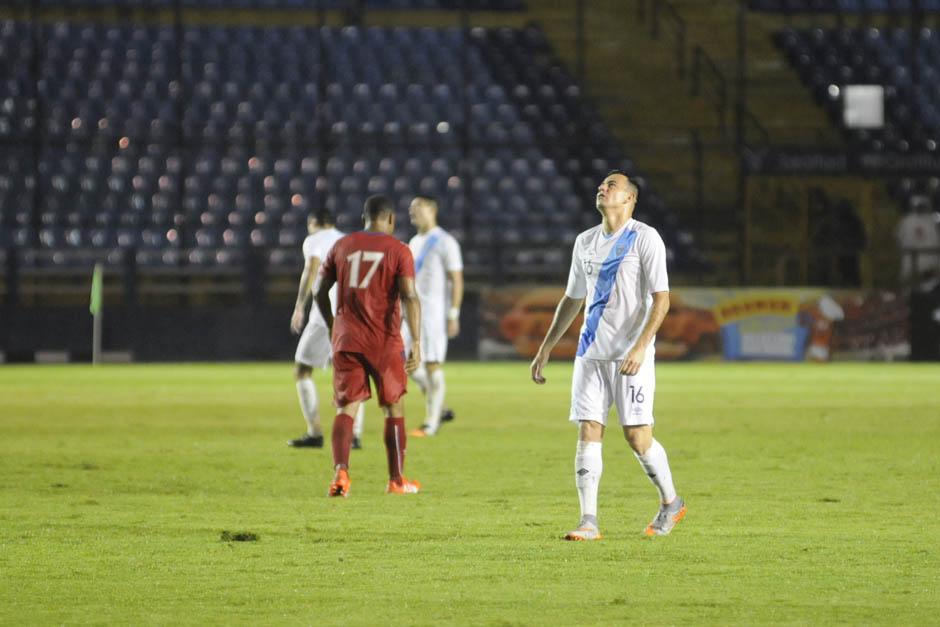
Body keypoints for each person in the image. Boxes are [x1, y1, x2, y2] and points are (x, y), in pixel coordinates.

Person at [529, 170, 685, 541]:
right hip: (590, 353)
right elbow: (572, 298)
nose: (602, 187)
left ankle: (671, 502)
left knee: (637, 437)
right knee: (588, 429)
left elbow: (661, 300)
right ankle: (588, 521)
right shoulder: (584, 241)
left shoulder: (645, 239)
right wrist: (546, 346)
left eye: (611, 185)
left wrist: (640, 346)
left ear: (629, 199)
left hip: (631, 355)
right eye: (601, 184)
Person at [315, 194, 423, 497]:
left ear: (365, 216)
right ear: (390, 219)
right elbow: (410, 297)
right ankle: (396, 481)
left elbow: (319, 292)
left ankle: (340, 476)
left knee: (346, 407)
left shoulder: (341, 246)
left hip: (347, 338)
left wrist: (332, 326)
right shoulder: (399, 250)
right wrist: (417, 342)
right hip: (384, 341)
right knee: (393, 407)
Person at [288, 210, 366, 449]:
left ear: (314, 223)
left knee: (302, 370)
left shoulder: (314, 240)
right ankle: (354, 435)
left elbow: (311, 269)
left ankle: (314, 432)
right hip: (355, 312)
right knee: (352, 372)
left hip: (325, 314)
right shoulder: (350, 240)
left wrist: (299, 305)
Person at [402, 196, 464, 438]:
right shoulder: (414, 241)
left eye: (417, 208)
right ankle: (441, 408)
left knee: (431, 363)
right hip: (412, 312)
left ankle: (431, 423)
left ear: (432, 210)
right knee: (403, 362)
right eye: (411, 208)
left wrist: (453, 313)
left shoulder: (445, 241)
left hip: (432, 313)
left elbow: (456, 279)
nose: (412, 212)